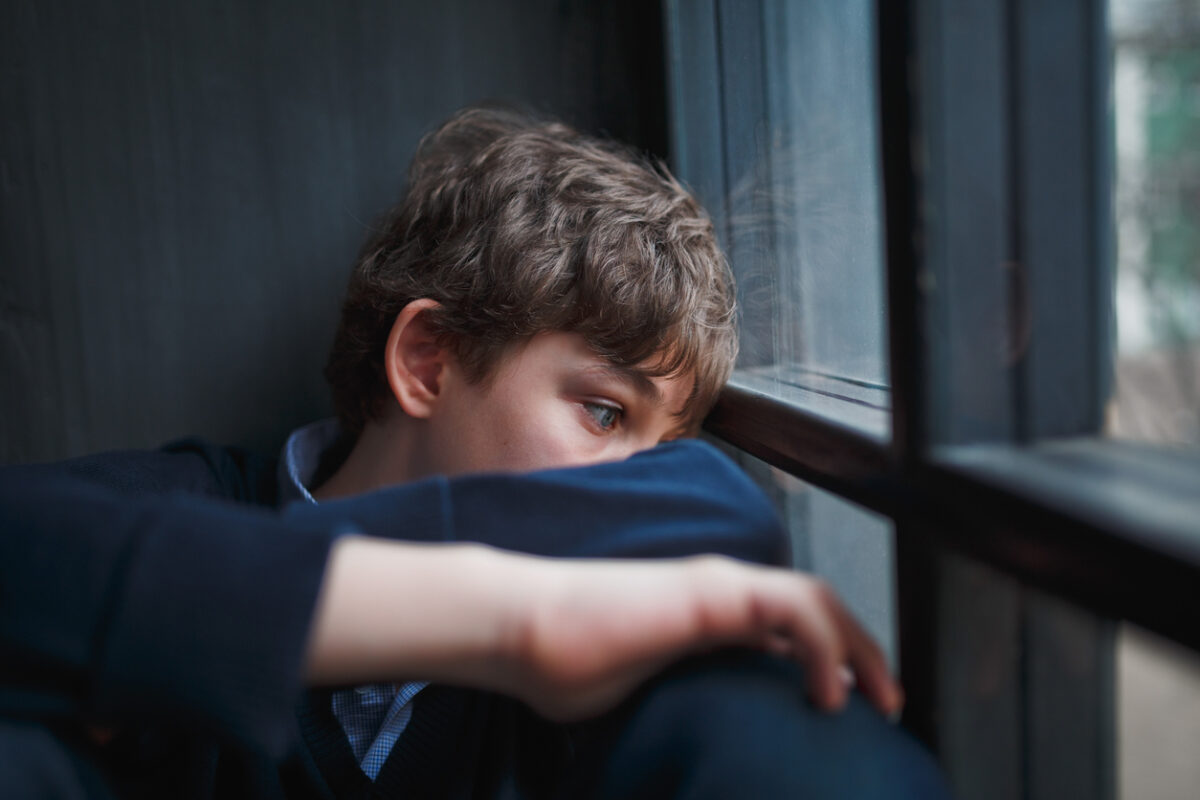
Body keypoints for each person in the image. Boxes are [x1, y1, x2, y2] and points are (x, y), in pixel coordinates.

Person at [0, 107, 949, 798]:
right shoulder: (176, 509)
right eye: (606, 414)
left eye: (670, 441)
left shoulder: (644, 587)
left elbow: (711, 507)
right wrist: (508, 615)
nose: (638, 483)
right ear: (427, 360)